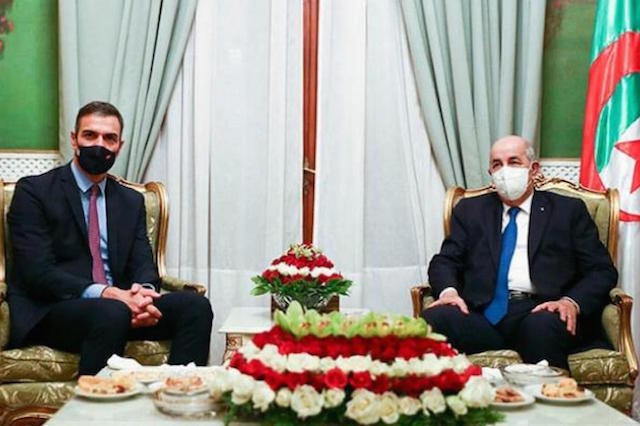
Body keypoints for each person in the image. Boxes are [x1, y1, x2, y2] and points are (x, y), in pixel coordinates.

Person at [7, 101, 213, 375]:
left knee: (196, 306)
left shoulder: (130, 201)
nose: (99, 145)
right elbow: (37, 272)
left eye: (109, 138)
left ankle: (177, 392)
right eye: (90, 135)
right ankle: (95, 401)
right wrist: (108, 294)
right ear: (74, 139)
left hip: (120, 310)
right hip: (55, 309)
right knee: (111, 311)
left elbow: (143, 264)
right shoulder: (35, 191)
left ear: (119, 146)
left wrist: (143, 297)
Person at [423, 135, 617, 370]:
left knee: (541, 326)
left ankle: (548, 393)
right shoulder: (470, 210)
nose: (505, 171)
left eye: (514, 162)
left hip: (541, 310)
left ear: (533, 169)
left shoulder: (567, 211)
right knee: (435, 319)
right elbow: (445, 261)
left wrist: (570, 302)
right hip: (482, 315)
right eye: (497, 164)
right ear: (491, 173)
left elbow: (601, 270)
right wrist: (449, 293)